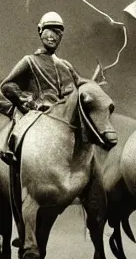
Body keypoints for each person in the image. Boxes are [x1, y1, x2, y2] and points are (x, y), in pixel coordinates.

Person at [0, 11, 85, 164]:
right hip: (38, 113)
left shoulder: (66, 66)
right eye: (49, 30)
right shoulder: (30, 61)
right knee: (21, 132)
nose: (53, 36)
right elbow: (7, 85)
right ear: (40, 31)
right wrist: (27, 100)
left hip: (63, 117)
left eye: (58, 32)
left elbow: (80, 86)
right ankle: (12, 151)